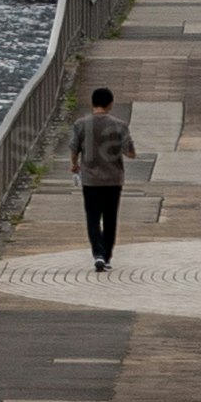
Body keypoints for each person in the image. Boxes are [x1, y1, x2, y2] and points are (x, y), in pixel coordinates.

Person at [69, 84, 136, 268]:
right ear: (110, 104)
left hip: (90, 180)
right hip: (113, 180)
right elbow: (130, 153)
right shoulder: (120, 125)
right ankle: (106, 257)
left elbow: (74, 149)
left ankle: (97, 253)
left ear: (93, 103)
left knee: (92, 218)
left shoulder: (80, 124)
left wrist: (74, 165)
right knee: (110, 218)